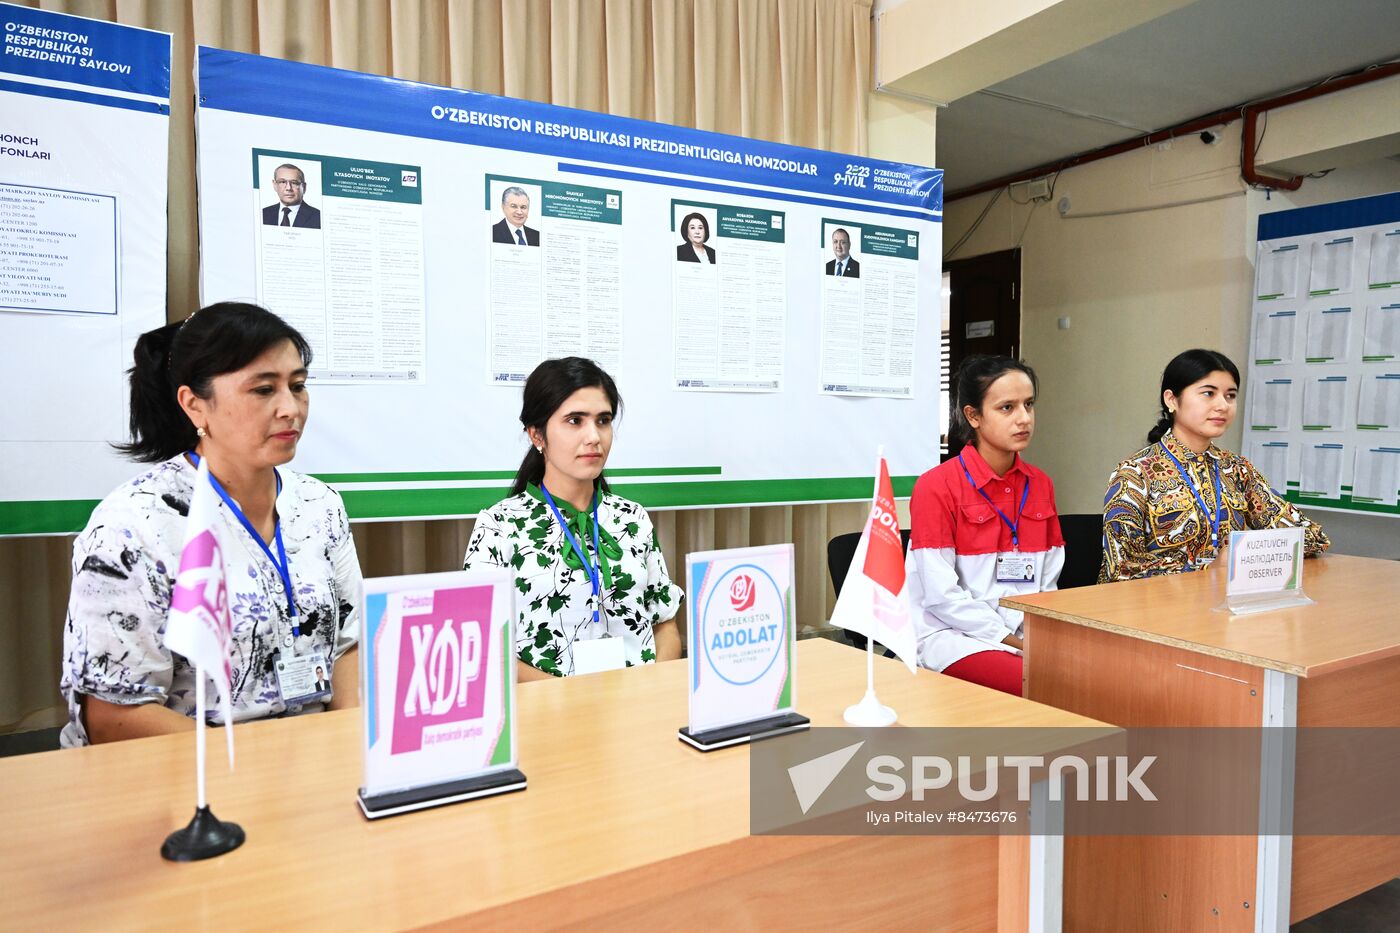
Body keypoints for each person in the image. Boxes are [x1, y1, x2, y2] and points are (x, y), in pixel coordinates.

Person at [60, 302, 361, 746]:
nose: (290, 409)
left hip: (311, 762)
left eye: (297, 386)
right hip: (190, 777)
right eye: (263, 390)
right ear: (195, 405)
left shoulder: (321, 505)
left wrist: (348, 742)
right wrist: (250, 765)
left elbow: (346, 646)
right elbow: (113, 716)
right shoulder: (133, 525)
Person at [463, 357, 683, 679]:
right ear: (537, 435)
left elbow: (665, 625)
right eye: (575, 420)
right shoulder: (499, 527)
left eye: (603, 420)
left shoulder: (632, 518)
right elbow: (483, 648)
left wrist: (650, 688)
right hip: (547, 716)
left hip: (637, 711)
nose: (593, 436)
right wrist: (567, 699)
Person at [905, 355, 1063, 696]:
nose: (1024, 418)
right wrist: (1012, 641)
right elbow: (942, 597)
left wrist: (1037, 638)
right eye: (1007, 408)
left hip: (1023, 633)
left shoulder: (1040, 484)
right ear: (973, 416)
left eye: (1029, 405)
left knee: (1107, 674)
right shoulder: (936, 486)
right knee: (1045, 684)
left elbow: (1048, 582)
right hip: (952, 635)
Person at [1101, 348, 1328, 581]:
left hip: (1228, 603)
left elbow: (1308, 536)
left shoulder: (1236, 469)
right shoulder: (1134, 474)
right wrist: (1207, 571)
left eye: (1230, 395)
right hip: (1155, 611)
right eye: (1208, 393)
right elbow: (1122, 568)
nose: (1223, 405)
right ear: (1171, 400)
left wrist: (1253, 551)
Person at [261, 163, 322, 228]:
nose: (288, 188)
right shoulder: (263, 214)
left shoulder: (318, 217)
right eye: (282, 182)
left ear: (304, 187)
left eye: (294, 183)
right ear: (274, 185)